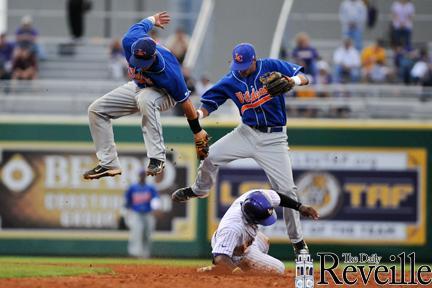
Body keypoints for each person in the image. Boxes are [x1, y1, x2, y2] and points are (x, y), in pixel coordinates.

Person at [172, 43, 311, 256]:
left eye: (245, 65)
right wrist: (198, 115)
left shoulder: (271, 66)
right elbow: (209, 103)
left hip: (274, 138)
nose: (242, 69)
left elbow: (305, 77)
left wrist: (292, 81)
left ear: (254, 60)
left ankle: (298, 242)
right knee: (211, 157)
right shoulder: (232, 79)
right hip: (246, 133)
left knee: (287, 191)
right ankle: (200, 189)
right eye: (238, 65)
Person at [83, 11, 209, 180]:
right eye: (138, 61)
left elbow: (185, 103)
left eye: (144, 63)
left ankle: (157, 158)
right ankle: (108, 163)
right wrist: (153, 19)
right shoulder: (130, 41)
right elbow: (142, 25)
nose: (140, 66)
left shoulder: (170, 71)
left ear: (154, 55)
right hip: (139, 86)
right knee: (96, 110)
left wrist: (197, 131)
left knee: (146, 99)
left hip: (164, 94)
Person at [197, 189, 318, 274]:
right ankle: (228, 268)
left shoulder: (256, 196)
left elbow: (278, 197)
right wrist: (236, 272)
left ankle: (245, 267)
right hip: (232, 250)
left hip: (244, 241)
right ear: (251, 217)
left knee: (264, 241)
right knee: (279, 269)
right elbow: (219, 257)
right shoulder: (233, 227)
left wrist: (300, 207)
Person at [124, 169, 161, 258]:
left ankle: (145, 254)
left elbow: (155, 199)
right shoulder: (133, 187)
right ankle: (134, 253)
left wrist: (156, 209)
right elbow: (127, 202)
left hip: (148, 214)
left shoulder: (150, 187)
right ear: (139, 176)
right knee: (136, 233)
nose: (142, 177)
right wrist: (125, 212)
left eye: (143, 175)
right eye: (141, 175)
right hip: (136, 213)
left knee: (147, 234)